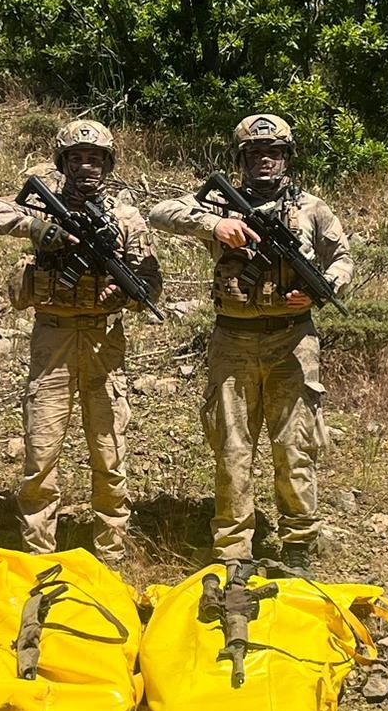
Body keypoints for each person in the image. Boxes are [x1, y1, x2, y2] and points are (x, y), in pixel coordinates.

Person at [148, 114, 352, 573]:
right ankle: (234, 547)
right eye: (255, 153)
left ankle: (298, 543)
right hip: (233, 341)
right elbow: (160, 213)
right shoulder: (220, 204)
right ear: (241, 158)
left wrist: (324, 289)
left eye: (274, 152)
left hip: (293, 340)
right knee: (232, 446)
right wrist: (214, 227)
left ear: (286, 157)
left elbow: (341, 258)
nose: (265, 160)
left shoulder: (313, 208)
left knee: (295, 446)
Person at [0, 120, 161, 565]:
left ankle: (111, 550)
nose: (87, 167)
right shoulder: (44, 208)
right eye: (77, 158)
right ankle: (38, 553)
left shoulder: (126, 217)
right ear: (63, 163)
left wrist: (127, 295)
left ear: (108, 165)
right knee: (42, 448)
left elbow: (150, 281)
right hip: (52, 335)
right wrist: (39, 231)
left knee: (109, 448)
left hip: (102, 340)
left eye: (96, 159)